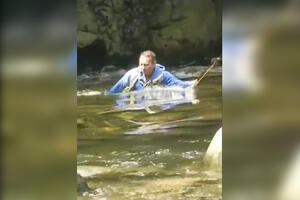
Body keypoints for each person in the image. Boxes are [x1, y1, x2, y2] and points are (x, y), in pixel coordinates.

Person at [108, 50, 194, 94]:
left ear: (154, 64)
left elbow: (181, 85)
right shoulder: (131, 76)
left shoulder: (164, 76)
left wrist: (191, 85)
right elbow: (113, 92)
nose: (142, 68)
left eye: (145, 65)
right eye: (140, 64)